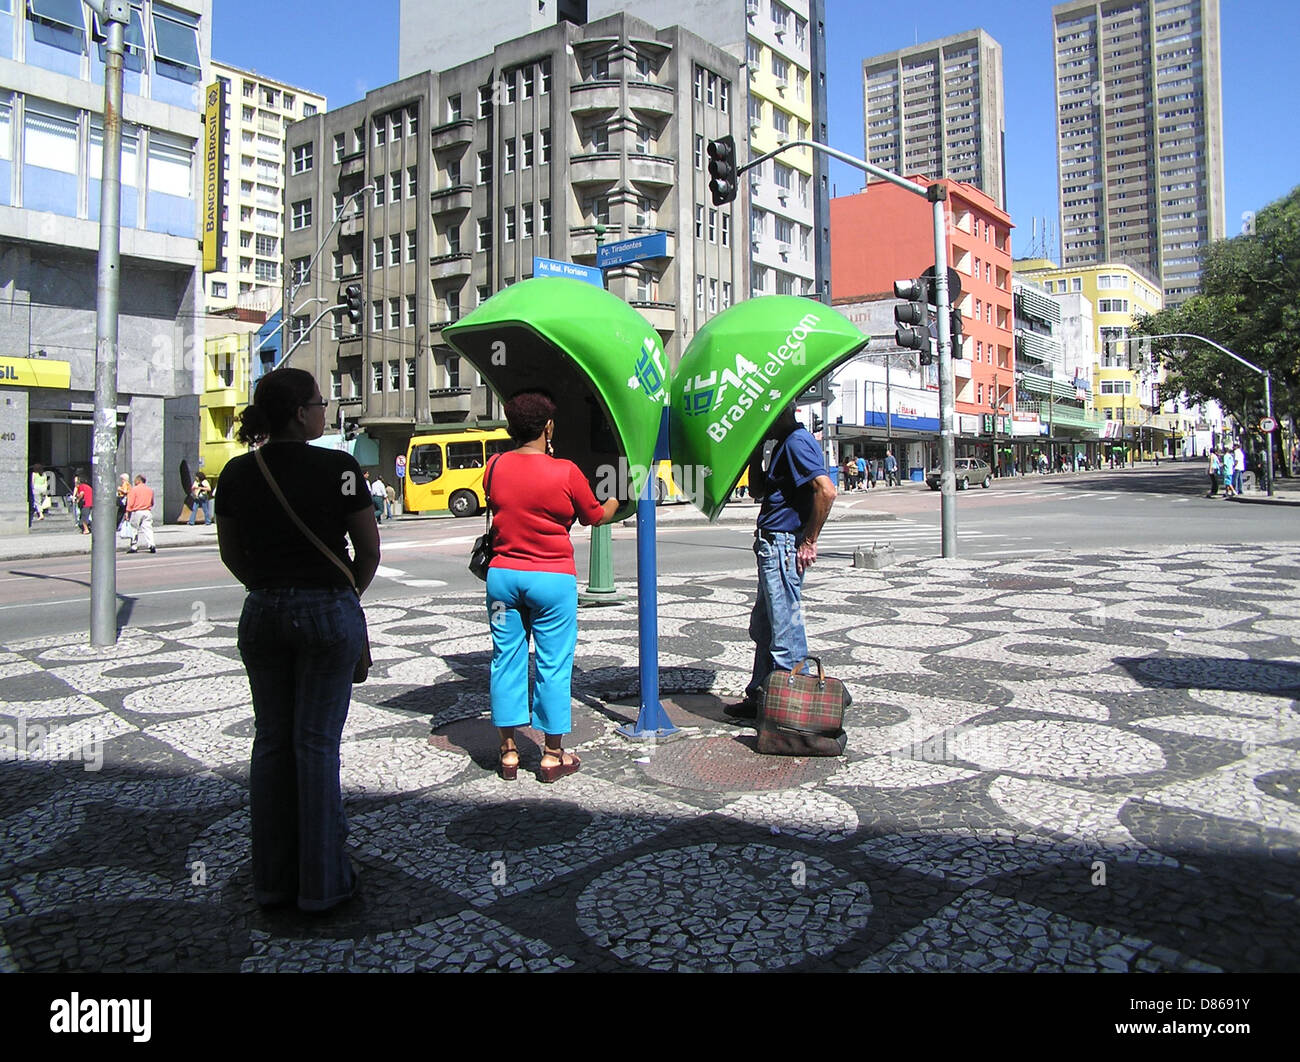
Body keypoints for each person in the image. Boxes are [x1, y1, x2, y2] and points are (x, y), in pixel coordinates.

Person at [215, 367, 380, 913]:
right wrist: (342, 594)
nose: (324, 411)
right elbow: (368, 549)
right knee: (315, 745)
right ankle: (323, 885)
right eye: (319, 402)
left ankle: (272, 880)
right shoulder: (339, 467)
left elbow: (232, 553)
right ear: (299, 413)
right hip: (325, 612)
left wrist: (269, 586)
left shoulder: (237, 473)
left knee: (271, 742)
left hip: (262, 611)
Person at [486, 390, 619, 783]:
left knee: (504, 658)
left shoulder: (494, 465)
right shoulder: (565, 471)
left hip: (502, 579)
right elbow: (594, 516)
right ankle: (551, 754)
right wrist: (616, 500)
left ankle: (508, 752)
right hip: (552, 580)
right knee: (553, 664)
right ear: (548, 427)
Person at [727, 405, 837, 720]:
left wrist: (809, 540)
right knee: (765, 627)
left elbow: (827, 491)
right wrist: (756, 449)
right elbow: (758, 490)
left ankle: (792, 711)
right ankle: (761, 694)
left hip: (782, 545)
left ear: (781, 412)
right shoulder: (783, 443)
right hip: (772, 544)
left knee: (784, 630)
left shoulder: (797, 443)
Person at [125, 475, 157, 554]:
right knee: (148, 529)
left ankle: (134, 546)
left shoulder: (134, 490)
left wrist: (127, 512)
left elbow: (130, 502)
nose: (134, 481)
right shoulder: (150, 490)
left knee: (134, 529)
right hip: (147, 511)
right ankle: (151, 544)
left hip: (137, 511)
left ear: (138, 481)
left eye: (135, 480)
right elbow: (152, 502)